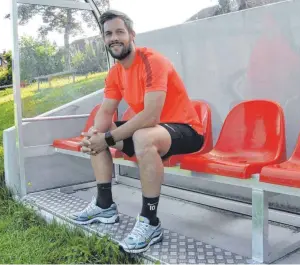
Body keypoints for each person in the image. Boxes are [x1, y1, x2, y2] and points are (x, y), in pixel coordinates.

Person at [70, 9, 204, 254]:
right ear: (104, 39)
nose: (114, 38)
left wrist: (108, 139)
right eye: (108, 34)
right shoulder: (115, 73)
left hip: (185, 131)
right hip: (151, 132)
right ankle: (104, 205)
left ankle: (150, 222)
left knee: (138, 136)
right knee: (97, 134)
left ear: (132, 35)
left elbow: (151, 116)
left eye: (120, 32)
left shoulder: (153, 61)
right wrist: (97, 134)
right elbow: (106, 109)